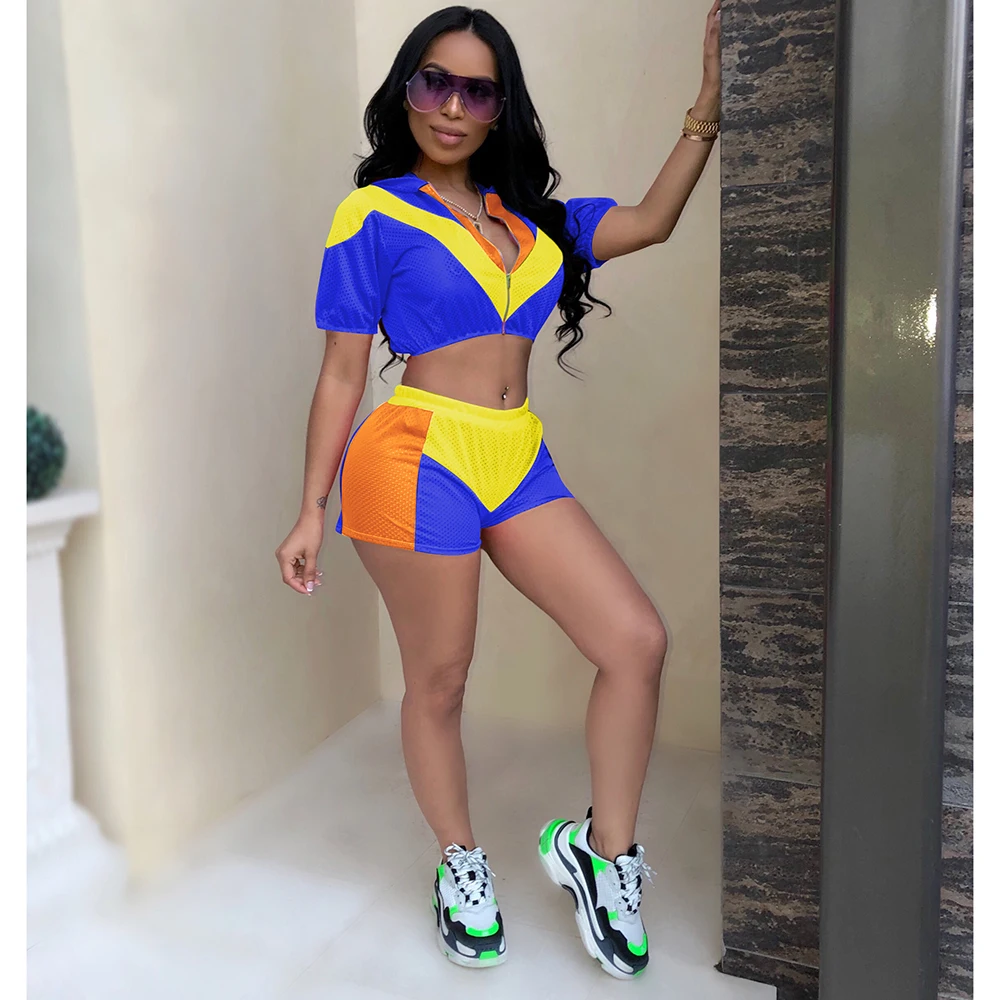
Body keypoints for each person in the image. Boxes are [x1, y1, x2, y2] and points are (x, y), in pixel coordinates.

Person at [276, 2, 721, 980]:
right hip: (414, 455)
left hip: (516, 456)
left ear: (499, 107)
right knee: (440, 680)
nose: (452, 107)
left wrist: (707, 107)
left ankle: (602, 855)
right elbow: (342, 373)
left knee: (635, 642)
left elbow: (651, 221)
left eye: (476, 91)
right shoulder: (373, 214)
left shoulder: (539, 222)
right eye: (434, 82)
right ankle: (459, 862)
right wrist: (311, 506)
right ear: (406, 91)